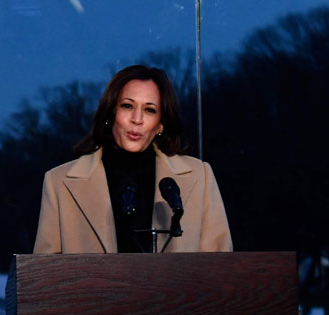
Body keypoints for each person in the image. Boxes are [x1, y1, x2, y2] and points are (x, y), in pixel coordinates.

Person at [34, 65, 232, 254]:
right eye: (127, 106)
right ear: (111, 113)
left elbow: (220, 269)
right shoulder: (58, 182)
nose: (137, 119)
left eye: (150, 110)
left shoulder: (200, 176)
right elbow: (43, 277)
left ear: (161, 124)